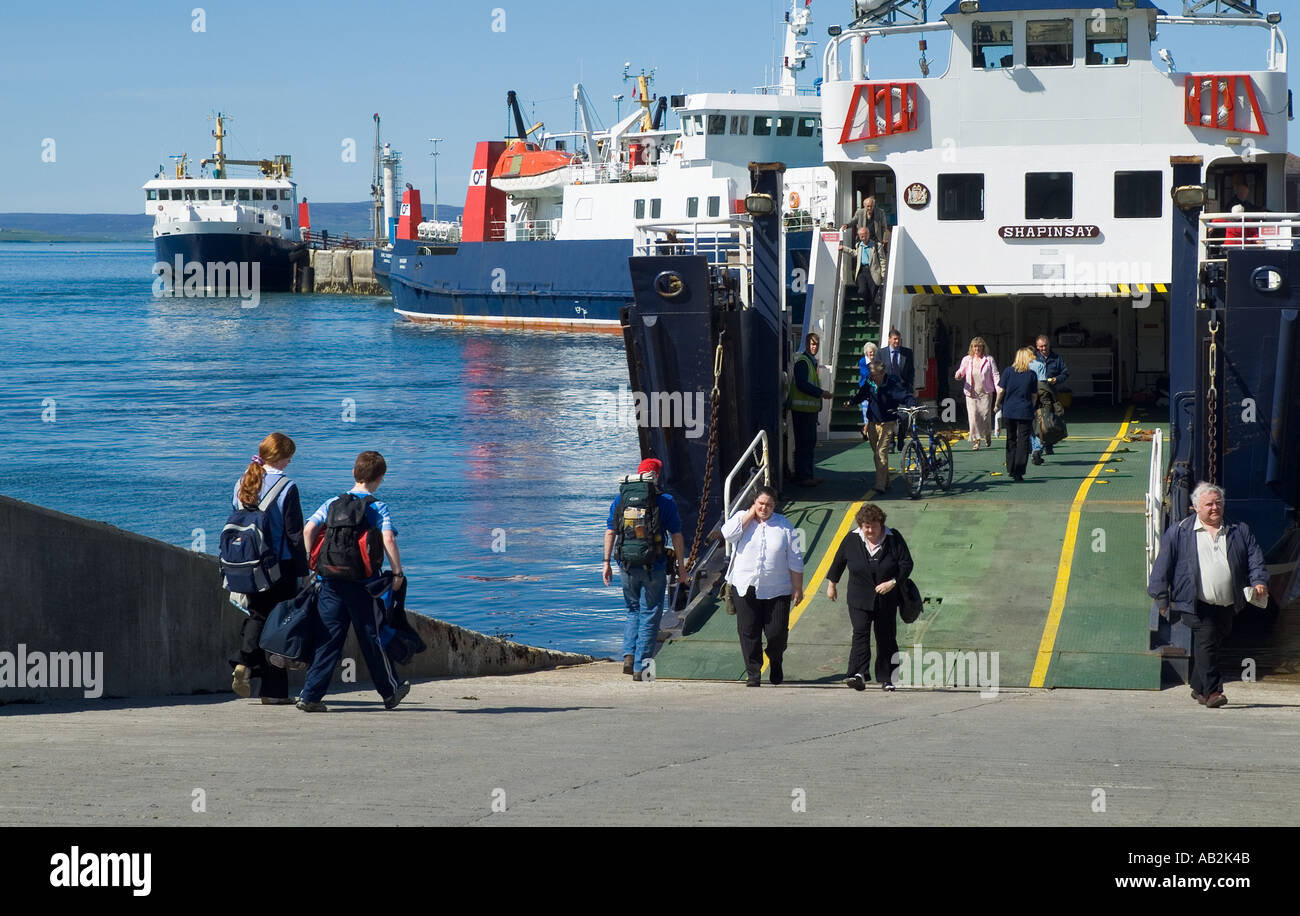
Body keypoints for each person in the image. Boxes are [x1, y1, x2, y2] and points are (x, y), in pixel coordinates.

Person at [296, 451, 409, 712]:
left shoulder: (332, 502)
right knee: (372, 636)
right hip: (363, 583)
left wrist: (311, 563)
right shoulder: (376, 506)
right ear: (380, 478)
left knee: (327, 637)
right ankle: (390, 691)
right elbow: (388, 539)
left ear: (354, 474)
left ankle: (310, 695)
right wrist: (397, 573)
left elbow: (308, 529)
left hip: (330, 579)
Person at [1147, 483, 1268, 708]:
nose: (1215, 508)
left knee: (1213, 641)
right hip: (1194, 603)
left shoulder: (1238, 529)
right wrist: (1161, 597)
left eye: (1218, 503)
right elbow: (1163, 565)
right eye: (1209, 504)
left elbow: (1254, 557)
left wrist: (1259, 580)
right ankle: (1213, 692)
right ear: (1195, 507)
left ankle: (1198, 687)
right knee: (1207, 641)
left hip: (1227, 603)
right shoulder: (1179, 531)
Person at [229, 432, 309, 705]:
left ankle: (248, 665)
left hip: (248, 563)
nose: (290, 461)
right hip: (280, 566)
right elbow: (294, 535)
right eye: (289, 456)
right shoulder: (287, 487)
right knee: (279, 625)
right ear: (281, 456)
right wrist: (304, 570)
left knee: (258, 614)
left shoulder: (243, 481)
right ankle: (270, 688)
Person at [603, 457, 686, 680]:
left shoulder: (622, 498)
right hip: (654, 565)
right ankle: (642, 667)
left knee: (633, 610)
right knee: (650, 613)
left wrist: (606, 563)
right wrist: (682, 567)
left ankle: (628, 655)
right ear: (656, 476)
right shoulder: (665, 500)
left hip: (626, 565)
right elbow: (677, 535)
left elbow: (610, 531)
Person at [720, 486, 804, 687]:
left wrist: (798, 587)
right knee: (748, 631)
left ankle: (775, 660)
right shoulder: (742, 519)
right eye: (760, 504)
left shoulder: (785, 526)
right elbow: (727, 534)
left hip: (777, 589)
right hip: (744, 585)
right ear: (754, 503)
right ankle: (753, 673)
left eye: (769, 505)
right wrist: (750, 514)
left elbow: (796, 559)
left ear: (774, 506)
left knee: (777, 633)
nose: (764, 508)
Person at [826, 503, 913, 691]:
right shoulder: (851, 539)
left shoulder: (894, 538)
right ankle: (858, 673)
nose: (870, 530)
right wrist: (832, 584)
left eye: (874, 526)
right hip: (859, 597)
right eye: (866, 526)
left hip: (886, 598)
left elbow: (906, 564)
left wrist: (893, 582)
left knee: (886, 637)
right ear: (861, 525)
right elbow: (838, 561)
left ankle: (888, 678)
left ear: (881, 524)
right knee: (860, 633)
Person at [847, 358, 913, 499]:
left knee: (881, 452)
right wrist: (851, 402)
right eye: (870, 374)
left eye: (874, 374)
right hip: (873, 423)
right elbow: (861, 395)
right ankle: (886, 481)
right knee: (876, 453)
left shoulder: (892, 384)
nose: (872, 377)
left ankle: (880, 485)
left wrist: (911, 404)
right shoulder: (869, 383)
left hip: (887, 422)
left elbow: (905, 396)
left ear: (882, 373)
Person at [788, 332, 834, 486]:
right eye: (812, 344)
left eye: (816, 344)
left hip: (808, 411)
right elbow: (801, 384)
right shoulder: (803, 362)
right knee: (804, 444)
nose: (815, 347)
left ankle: (807, 474)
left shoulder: (809, 362)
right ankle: (804, 476)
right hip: (802, 411)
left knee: (808, 443)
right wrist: (820, 393)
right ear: (807, 344)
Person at [996, 347, 1038, 482]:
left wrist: (997, 404)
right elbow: (1034, 395)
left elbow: (1001, 391)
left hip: (1009, 409)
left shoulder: (1008, 372)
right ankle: (1019, 471)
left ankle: (1010, 467)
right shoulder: (1031, 375)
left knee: (1011, 438)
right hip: (1025, 410)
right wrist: (1031, 406)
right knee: (1023, 440)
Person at [954, 336, 999, 450]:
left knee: (984, 417)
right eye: (975, 346)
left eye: (979, 346)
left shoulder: (989, 359)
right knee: (973, 417)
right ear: (971, 348)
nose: (977, 349)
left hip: (985, 392)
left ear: (983, 347)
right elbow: (961, 371)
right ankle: (976, 441)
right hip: (971, 393)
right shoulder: (967, 359)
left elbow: (995, 375)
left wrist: (999, 389)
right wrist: (958, 375)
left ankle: (987, 434)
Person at [1033, 334, 1069, 458]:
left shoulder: (1056, 358)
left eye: (1046, 345)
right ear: (1037, 347)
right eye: (1041, 346)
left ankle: (1049, 444)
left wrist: (1056, 379)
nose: (1044, 348)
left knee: (1050, 420)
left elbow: (1065, 373)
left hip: (1051, 394)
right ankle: (1038, 445)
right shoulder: (1033, 359)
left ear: (1049, 345)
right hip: (1036, 394)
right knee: (1038, 419)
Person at [883, 328, 915, 449]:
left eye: (899, 339)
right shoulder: (882, 353)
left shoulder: (907, 353)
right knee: (889, 417)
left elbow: (911, 372)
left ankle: (901, 439)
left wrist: (910, 388)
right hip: (888, 391)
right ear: (889, 339)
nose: (897, 341)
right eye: (895, 339)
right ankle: (891, 442)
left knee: (904, 416)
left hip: (903, 390)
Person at [851, 195, 891, 259]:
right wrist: (846, 225)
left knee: (876, 259)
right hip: (863, 240)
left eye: (871, 206)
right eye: (868, 206)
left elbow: (884, 227)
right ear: (864, 206)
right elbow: (853, 221)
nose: (870, 208)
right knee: (862, 258)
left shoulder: (880, 212)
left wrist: (884, 238)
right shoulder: (859, 212)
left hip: (875, 239)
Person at [856, 341, 879, 431]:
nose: (872, 353)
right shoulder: (862, 362)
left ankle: (870, 428)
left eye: (873, 351)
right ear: (866, 353)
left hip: (875, 388)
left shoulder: (877, 361)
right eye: (870, 352)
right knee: (866, 408)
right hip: (866, 387)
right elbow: (866, 374)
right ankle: (867, 427)